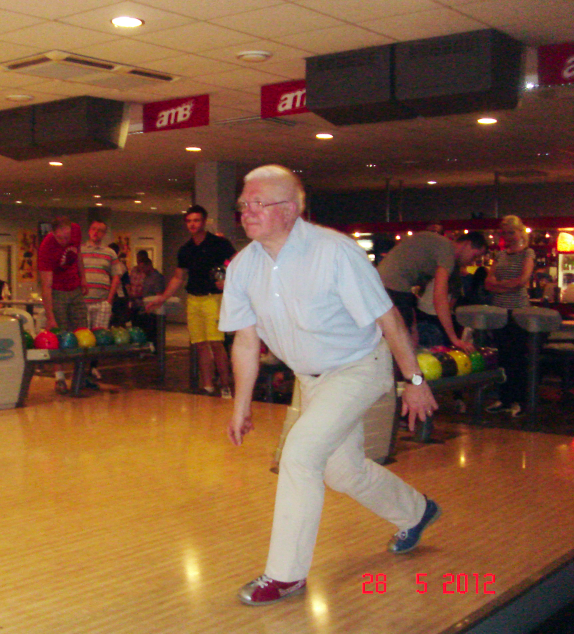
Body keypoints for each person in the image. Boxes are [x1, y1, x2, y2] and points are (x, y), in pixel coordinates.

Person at [220, 165, 440, 607]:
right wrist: (239, 406)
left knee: (300, 455)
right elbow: (246, 341)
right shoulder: (244, 267)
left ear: (292, 208)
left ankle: (285, 575)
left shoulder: (335, 251)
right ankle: (417, 511)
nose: (247, 211)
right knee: (342, 470)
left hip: (358, 368)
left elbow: (388, 318)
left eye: (258, 202)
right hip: (310, 378)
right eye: (244, 203)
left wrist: (414, 380)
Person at [147, 205, 235, 398]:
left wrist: (228, 278)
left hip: (213, 298)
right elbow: (178, 277)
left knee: (216, 342)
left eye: (196, 220)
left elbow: (237, 261)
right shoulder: (185, 249)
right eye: (189, 221)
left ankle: (226, 384)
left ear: (203, 222)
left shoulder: (218, 243)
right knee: (200, 344)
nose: (192, 224)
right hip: (194, 299)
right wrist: (162, 298)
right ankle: (208, 385)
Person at [377, 230, 487, 352]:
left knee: (395, 337)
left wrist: (413, 327)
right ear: (467, 244)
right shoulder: (448, 251)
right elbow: (439, 298)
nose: (473, 261)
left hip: (381, 282)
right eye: (475, 256)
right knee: (402, 344)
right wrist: (454, 339)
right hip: (392, 285)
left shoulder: (438, 243)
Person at [484, 215, 535, 418]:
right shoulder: (501, 254)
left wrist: (500, 286)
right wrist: (506, 285)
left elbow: (522, 280)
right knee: (503, 356)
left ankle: (518, 400)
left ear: (520, 232)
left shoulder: (527, 253)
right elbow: (488, 282)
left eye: (511, 232)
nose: (508, 236)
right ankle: (505, 398)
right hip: (500, 310)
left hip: (518, 310)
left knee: (517, 356)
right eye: (505, 232)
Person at [37, 216, 88, 395]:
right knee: (59, 334)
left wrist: (83, 279)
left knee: (82, 330)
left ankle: (80, 375)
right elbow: (46, 286)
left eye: (67, 237)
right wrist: (50, 317)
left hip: (74, 288)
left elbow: (79, 255)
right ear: (53, 234)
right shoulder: (46, 248)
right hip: (57, 291)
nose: (65, 241)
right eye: (61, 238)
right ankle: (59, 378)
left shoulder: (76, 230)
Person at [81, 220, 124, 384]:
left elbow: (116, 276)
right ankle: (81, 368)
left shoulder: (109, 253)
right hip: (83, 301)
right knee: (83, 336)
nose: (96, 232)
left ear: (104, 234)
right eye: (93, 229)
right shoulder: (80, 251)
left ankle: (93, 366)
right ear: (89, 231)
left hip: (102, 302)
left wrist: (109, 299)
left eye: (100, 230)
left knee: (99, 336)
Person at [127, 250, 165, 346]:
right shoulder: (146, 277)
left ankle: (154, 350)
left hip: (152, 310)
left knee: (152, 332)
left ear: (149, 265)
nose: (142, 270)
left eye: (143, 267)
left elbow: (159, 294)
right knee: (143, 331)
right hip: (143, 308)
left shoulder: (156, 277)